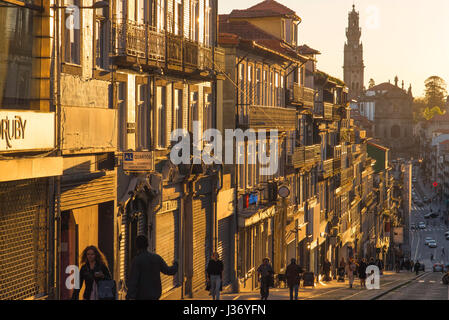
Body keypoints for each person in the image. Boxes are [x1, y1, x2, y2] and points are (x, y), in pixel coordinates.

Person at [126, 235, 178, 300]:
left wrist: (129, 296)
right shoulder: (156, 258)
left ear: (136, 246)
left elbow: (133, 281)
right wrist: (175, 265)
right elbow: (169, 271)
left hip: (142, 296)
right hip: (155, 296)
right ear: (147, 245)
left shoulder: (137, 261)